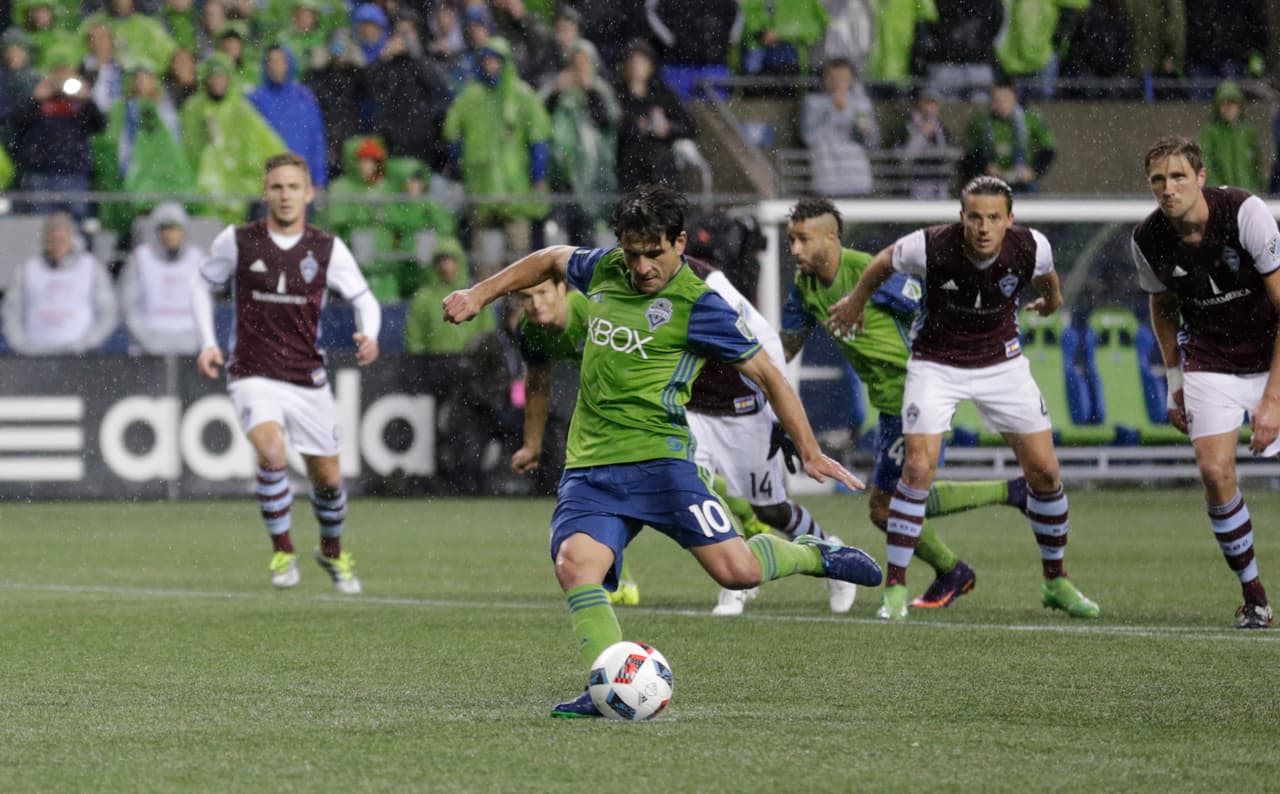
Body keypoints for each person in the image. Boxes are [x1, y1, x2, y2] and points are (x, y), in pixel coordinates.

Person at [443, 185, 882, 718]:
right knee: (575, 566)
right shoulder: (604, 270)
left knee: (737, 572)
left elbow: (769, 372)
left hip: (662, 462)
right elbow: (550, 259)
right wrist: (479, 294)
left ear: (679, 244)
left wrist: (810, 450)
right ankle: (607, 680)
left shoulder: (700, 305)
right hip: (593, 466)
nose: (643, 266)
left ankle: (818, 554)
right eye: (633, 254)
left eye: (655, 254)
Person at [511, 264, 856, 615]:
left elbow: (763, 340)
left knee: (770, 508)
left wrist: (781, 413)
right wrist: (532, 443)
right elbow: (540, 378)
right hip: (687, 406)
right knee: (694, 485)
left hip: (742, 405)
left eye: (650, 248)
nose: (642, 262)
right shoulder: (615, 278)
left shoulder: (704, 282)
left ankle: (827, 550)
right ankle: (732, 583)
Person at [828, 176, 1100, 621]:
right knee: (916, 469)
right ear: (962, 217)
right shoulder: (929, 246)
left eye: (994, 217)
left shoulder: (1032, 246)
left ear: (1009, 220)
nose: (984, 227)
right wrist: (858, 301)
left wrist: (1052, 301)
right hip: (936, 364)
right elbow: (882, 262)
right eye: (975, 217)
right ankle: (895, 591)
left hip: (1002, 365)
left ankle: (1056, 582)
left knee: (1047, 473)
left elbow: (1047, 277)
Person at [785, 197, 1029, 619]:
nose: (794, 250)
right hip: (888, 406)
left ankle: (983, 530)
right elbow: (781, 348)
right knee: (892, 505)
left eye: (803, 240)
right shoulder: (804, 289)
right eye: (791, 240)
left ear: (831, 237)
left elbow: (934, 305)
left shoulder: (871, 272)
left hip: (915, 395)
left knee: (890, 506)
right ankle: (969, 550)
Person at [190, 152, 381, 594]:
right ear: (265, 193)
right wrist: (207, 341)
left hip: (306, 376)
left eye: (294, 187)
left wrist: (368, 334)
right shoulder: (237, 241)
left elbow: (365, 298)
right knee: (272, 453)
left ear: (309, 193)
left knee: (329, 481)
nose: (285, 195)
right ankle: (283, 551)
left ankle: (331, 551)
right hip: (252, 372)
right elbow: (202, 283)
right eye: (277, 186)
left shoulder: (327, 248)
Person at [1130, 135, 1280, 629]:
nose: (1167, 188)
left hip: (1270, 352)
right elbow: (1162, 305)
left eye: (1177, 176)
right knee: (1215, 474)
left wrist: (1272, 400)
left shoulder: (1246, 214)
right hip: (1210, 359)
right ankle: (1254, 595)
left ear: (1200, 176)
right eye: (1157, 179)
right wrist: (1175, 379)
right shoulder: (1147, 238)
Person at [2, 211, 118, 355]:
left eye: (61, 240)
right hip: (35, 355)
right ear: (44, 240)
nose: (56, 246)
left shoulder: (91, 267)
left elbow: (108, 310)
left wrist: (88, 343)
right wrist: (21, 344)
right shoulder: (27, 268)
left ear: (71, 238)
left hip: (80, 356)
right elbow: (11, 310)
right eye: (51, 241)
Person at [118, 201, 203, 354]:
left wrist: (196, 338)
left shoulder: (197, 258)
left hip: (188, 342)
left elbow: (205, 303)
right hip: (149, 343)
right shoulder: (139, 258)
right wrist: (146, 338)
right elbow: (128, 305)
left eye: (174, 228)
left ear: (183, 230)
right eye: (164, 228)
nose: (169, 234)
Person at [800, 57, 878, 197]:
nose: (837, 82)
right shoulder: (813, 103)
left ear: (851, 79)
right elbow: (809, 138)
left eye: (843, 77)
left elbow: (871, 142)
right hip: (826, 177)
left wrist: (864, 130)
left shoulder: (861, 103)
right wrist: (832, 111)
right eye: (833, 77)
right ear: (825, 79)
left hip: (857, 177)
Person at [961, 78, 1055, 194]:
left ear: (1015, 99)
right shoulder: (982, 121)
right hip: (993, 182)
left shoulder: (1031, 118)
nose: (1002, 105)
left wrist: (1034, 171)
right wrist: (985, 166)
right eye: (997, 100)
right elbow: (970, 152)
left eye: (1006, 100)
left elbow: (1048, 149)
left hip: (1023, 183)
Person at [1196, 81, 1262, 196]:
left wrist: (1255, 190)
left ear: (1239, 106)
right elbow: (1205, 165)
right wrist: (1218, 192)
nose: (1229, 108)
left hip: (1246, 197)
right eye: (1224, 104)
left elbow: (1256, 166)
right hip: (1220, 199)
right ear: (1218, 107)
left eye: (1232, 103)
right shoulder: (1209, 133)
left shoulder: (1248, 132)